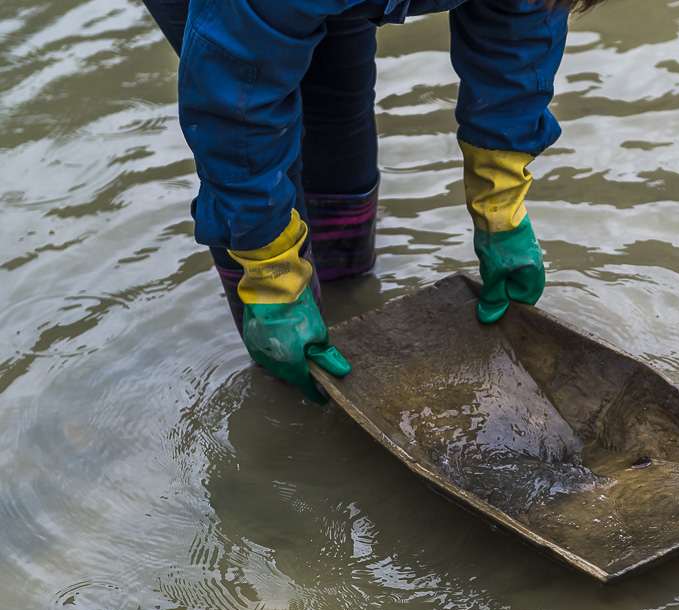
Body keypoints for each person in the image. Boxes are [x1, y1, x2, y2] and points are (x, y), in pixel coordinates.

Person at [142, 0, 608, 403]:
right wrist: (271, 279)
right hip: (238, 19)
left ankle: (346, 298)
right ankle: (286, 376)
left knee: (336, 112)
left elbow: (518, 35)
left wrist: (501, 207)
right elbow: (234, 116)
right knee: (258, 153)